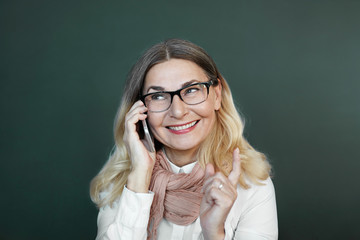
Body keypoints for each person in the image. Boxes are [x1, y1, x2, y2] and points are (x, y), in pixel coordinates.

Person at [90, 39, 278, 240]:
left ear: (216, 95)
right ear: (140, 109)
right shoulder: (120, 182)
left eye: (191, 90)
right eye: (159, 96)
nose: (178, 112)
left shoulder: (252, 185)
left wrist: (214, 233)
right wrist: (140, 176)